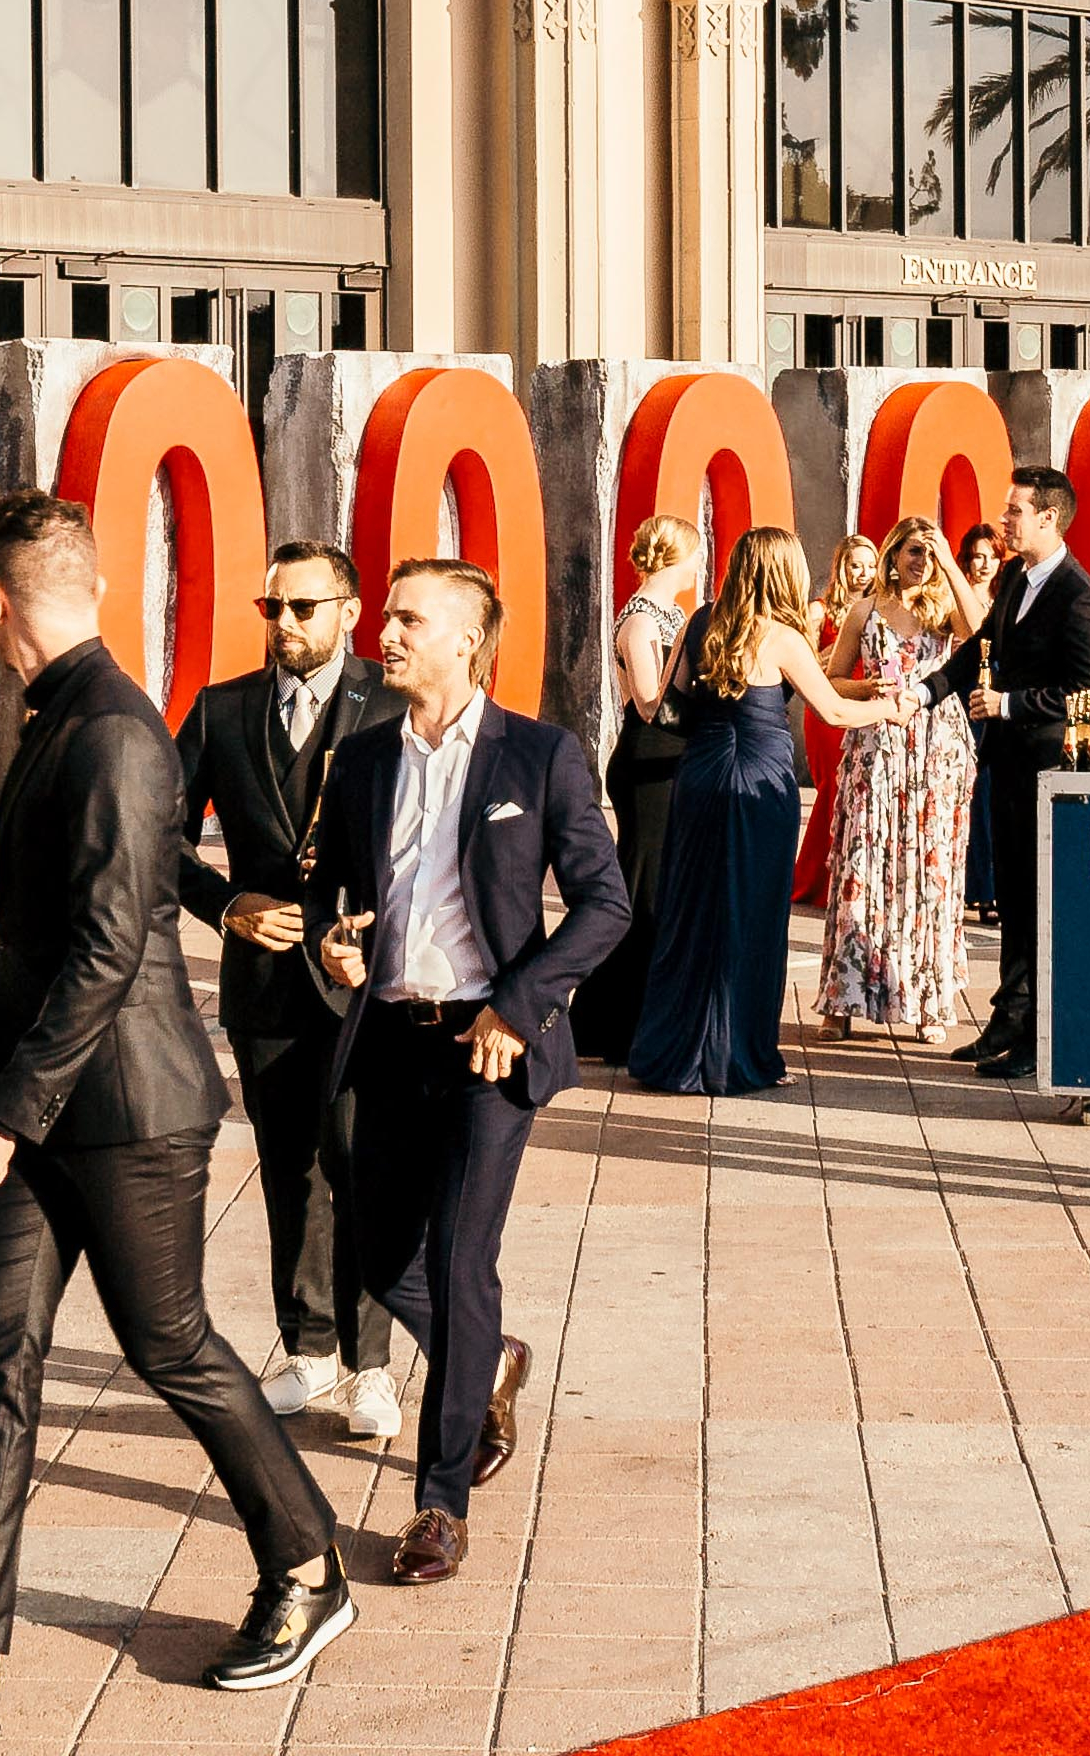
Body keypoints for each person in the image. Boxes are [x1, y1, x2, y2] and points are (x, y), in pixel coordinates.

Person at [0, 494, 349, 1748]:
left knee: (172, 1347)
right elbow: (57, 941)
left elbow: (116, 947)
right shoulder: (67, 718)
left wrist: (5, 1108)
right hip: (52, 1102)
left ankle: (308, 1566)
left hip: (130, 1112)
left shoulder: (112, 734)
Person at [310, 555, 633, 1587]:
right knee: (372, 1255)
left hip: (488, 1049)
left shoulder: (538, 757)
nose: (387, 633)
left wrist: (519, 1004)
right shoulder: (361, 761)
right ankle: (489, 1359)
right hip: (389, 1039)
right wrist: (335, 941)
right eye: (389, 616)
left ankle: (438, 1503)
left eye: (408, 619)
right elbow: (329, 889)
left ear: (466, 639)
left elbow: (604, 904)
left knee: (458, 1262)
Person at [168, 537, 402, 1438]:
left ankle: (371, 1365)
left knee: (363, 1171)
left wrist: (381, 925)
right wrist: (227, 906)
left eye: (305, 608)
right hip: (263, 985)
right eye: (275, 609)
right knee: (288, 1172)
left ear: (347, 610)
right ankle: (308, 1351)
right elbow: (165, 836)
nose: (287, 625)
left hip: (365, 981)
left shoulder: (389, 700)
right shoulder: (222, 711)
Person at [625, 525, 909, 1095]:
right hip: (759, 779)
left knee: (693, 912)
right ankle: (739, 1055)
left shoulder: (701, 621)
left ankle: (673, 1049)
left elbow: (661, 704)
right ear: (784, 571)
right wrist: (887, 708)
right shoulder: (783, 636)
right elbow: (828, 708)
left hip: (701, 774)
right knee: (751, 917)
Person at [931, 475, 1090, 1076]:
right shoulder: (1014, 578)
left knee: (1041, 899)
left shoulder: (1078, 596)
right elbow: (978, 649)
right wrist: (926, 691)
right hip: (1007, 766)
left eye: (1015, 511)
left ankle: (1038, 1036)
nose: (1003, 520)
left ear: (1049, 520)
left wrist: (1009, 703)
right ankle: (1010, 1013)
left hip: (1048, 770)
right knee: (1012, 892)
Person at [815, 520, 976, 1040]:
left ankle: (929, 1002)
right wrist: (866, 688)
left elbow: (982, 631)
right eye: (913, 551)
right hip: (877, 750)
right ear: (892, 554)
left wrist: (951, 564)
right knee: (863, 864)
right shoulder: (864, 610)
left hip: (935, 752)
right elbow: (832, 677)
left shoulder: (943, 611)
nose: (920, 562)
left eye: (928, 554)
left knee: (930, 874)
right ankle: (841, 1000)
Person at [571, 514, 699, 1063]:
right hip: (648, 763)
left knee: (657, 890)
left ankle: (628, 1015)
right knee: (642, 891)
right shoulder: (642, 620)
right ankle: (606, 1024)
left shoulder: (671, 613)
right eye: (694, 552)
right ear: (675, 558)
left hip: (671, 761)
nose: (699, 562)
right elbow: (650, 704)